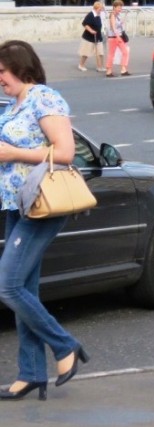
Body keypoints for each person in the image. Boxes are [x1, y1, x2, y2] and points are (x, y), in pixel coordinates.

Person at [0, 40, 90, 402]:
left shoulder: (45, 99)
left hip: (42, 204)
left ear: (22, 69)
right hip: (16, 206)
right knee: (25, 289)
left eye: (2, 72)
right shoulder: (13, 104)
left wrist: (12, 152)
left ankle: (65, 346)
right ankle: (32, 373)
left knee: (7, 285)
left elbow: (65, 153)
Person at [77, 1, 105, 73]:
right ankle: (81, 65)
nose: (101, 10)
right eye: (100, 9)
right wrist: (91, 30)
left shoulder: (99, 14)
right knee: (86, 53)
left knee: (100, 52)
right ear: (96, 8)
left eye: (101, 9)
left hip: (98, 36)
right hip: (89, 37)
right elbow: (85, 24)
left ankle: (100, 67)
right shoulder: (91, 14)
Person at [105, 0, 130, 77]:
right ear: (114, 7)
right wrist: (118, 36)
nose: (120, 9)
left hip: (118, 36)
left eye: (121, 7)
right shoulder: (112, 15)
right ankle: (109, 71)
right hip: (114, 37)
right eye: (119, 7)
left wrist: (123, 20)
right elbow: (113, 27)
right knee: (112, 54)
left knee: (125, 52)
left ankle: (123, 69)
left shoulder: (118, 15)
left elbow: (119, 25)